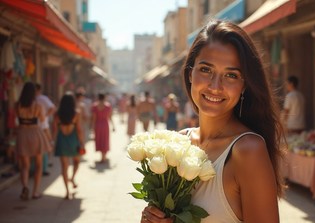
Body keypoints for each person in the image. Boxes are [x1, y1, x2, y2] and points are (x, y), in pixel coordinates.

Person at [141, 20, 284, 222]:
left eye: (231, 75)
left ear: (244, 86)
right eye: (206, 70)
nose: (215, 86)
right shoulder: (177, 144)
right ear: (191, 73)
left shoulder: (247, 150)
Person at [15, 82, 52, 200]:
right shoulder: (37, 106)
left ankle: (25, 186)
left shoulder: (17, 105)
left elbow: (16, 119)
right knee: (38, 165)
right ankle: (35, 192)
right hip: (35, 134)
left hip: (22, 134)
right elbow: (42, 119)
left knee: (25, 166)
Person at [53, 93, 84, 199]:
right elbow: (79, 130)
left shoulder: (57, 114)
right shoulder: (76, 113)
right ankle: (72, 177)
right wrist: (82, 143)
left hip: (62, 140)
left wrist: (53, 142)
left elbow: (55, 130)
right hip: (73, 140)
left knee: (64, 168)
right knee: (77, 162)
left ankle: (67, 191)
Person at [35, 83, 55, 176]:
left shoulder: (41, 98)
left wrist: (45, 116)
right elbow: (52, 108)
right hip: (42, 127)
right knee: (44, 147)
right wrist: (46, 116)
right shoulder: (40, 99)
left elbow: (52, 108)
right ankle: (43, 167)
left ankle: (43, 167)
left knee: (43, 147)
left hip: (40, 126)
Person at [91, 93, 115, 163]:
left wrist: (92, 127)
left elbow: (94, 118)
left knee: (99, 139)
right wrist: (113, 126)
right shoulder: (108, 106)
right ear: (104, 98)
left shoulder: (95, 106)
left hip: (97, 125)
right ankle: (104, 156)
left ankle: (102, 157)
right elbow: (110, 117)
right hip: (105, 125)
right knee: (105, 140)